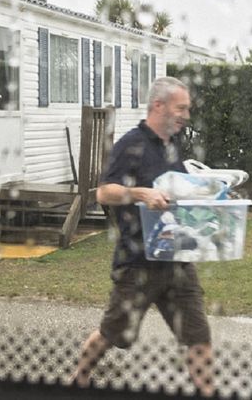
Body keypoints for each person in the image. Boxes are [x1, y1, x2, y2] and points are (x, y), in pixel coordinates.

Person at [70, 76, 214, 396]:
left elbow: (178, 187)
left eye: (187, 109)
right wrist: (140, 194)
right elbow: (104, 193)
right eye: (181, 108)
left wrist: (211, 194)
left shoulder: (172, 144)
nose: (186, 116)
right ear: (158, 106)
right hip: (138, 262)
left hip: (176, 257)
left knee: (198, 336)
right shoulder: (131, 144)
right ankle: (78, 378)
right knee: (112, 334)